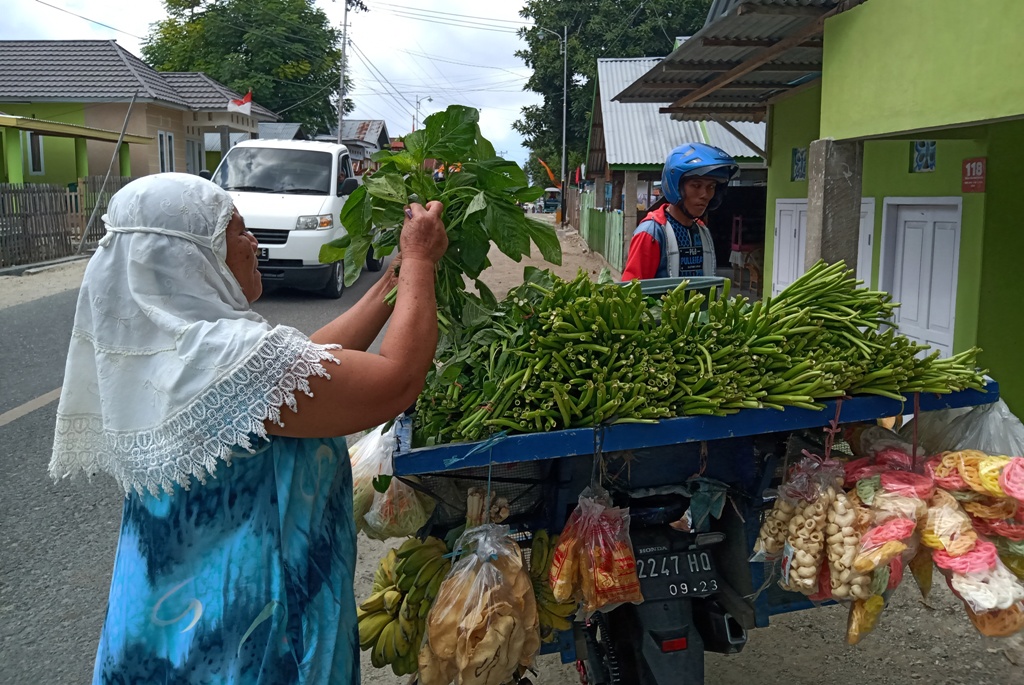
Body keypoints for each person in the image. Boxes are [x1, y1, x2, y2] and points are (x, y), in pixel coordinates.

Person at [48, 173, 448, 684]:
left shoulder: (176, 351)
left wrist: (393, 281)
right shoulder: (225, 356)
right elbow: (395, 382)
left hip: (163, 636)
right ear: (191, 258)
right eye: (234, 231)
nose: (253, 240)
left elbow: (304, 368)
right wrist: (419, 263)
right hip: (249, 646)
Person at [621, 143, 739, 281]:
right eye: (696, 185)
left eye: (711, 187)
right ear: (675, 186)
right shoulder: (652, 233)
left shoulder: (701, 230)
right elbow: (631, 290)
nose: (705, 194)